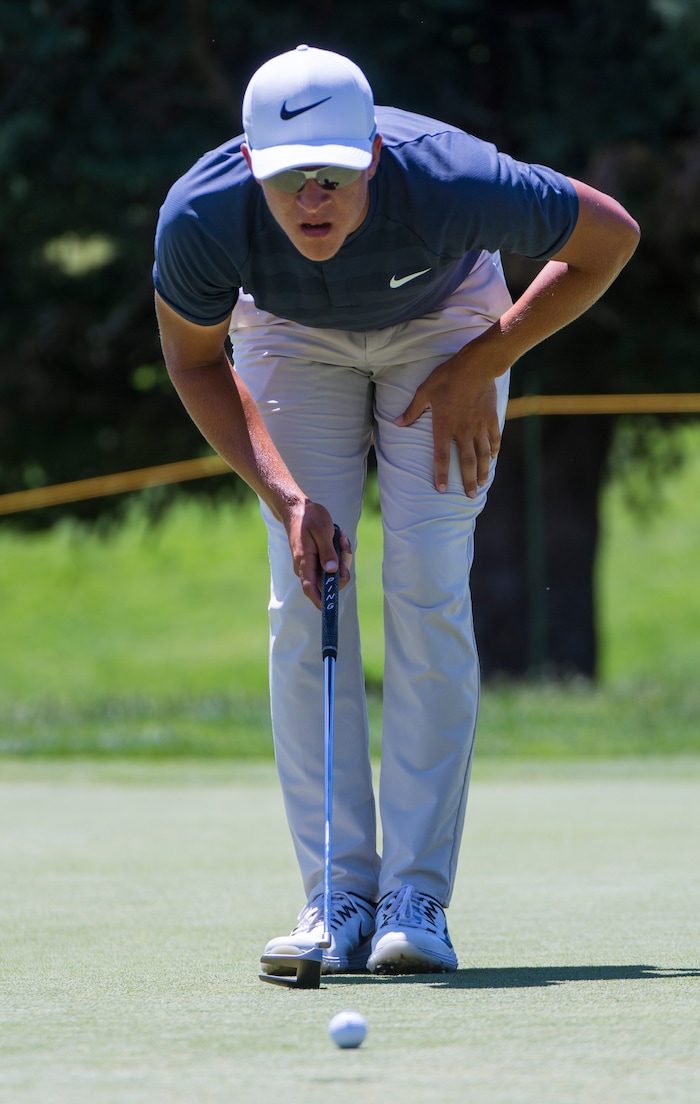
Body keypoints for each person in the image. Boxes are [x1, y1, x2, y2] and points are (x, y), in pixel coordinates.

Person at [153, 44, 639, 975]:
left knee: (425, 579)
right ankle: (335, 893)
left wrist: (485, 359)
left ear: (373, 153)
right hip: (288, 338)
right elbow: (193, 359)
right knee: (308, 597)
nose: (315, 201)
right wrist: (287, 497)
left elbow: (609, 238)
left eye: (335, 175)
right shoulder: (202, 216)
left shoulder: (453, 180)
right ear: (251, 166)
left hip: (446, 319)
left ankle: (416, 897)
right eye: (292, 180)